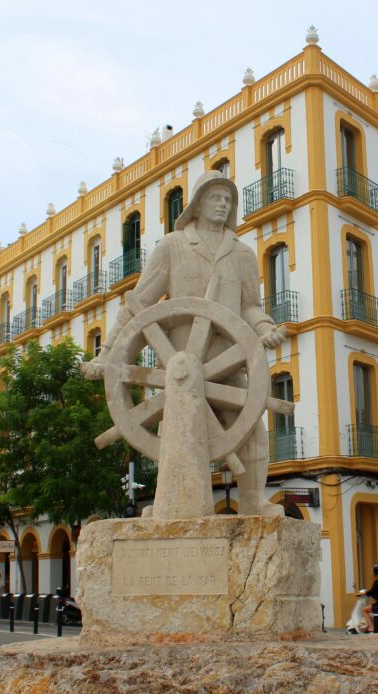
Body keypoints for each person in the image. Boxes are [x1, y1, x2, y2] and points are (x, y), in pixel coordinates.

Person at [83, 171, 288, 515]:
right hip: (180, 367)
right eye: (215, 198)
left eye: (228, 200)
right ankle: (171, 505)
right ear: (197, 204)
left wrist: (265, 328)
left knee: (251, 426)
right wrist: (107, 355)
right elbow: (139, 304)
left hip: (227, 361)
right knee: (175, 438)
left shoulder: (242, 254)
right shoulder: (172, 246)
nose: (223, 204)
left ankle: (253, 502)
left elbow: (251, 306)